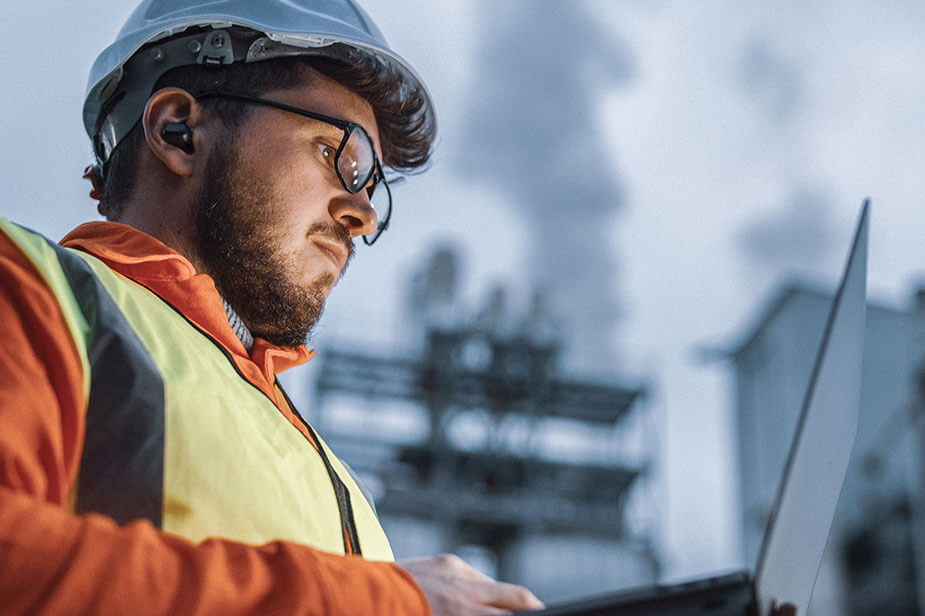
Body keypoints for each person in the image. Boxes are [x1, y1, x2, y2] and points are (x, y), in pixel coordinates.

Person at [0, 0, 544, 614]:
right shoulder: (32, 291)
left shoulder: (328, 477)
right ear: (179, 130)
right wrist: (374, 603)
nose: (362, 216)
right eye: (338, 153)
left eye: (373, 186)